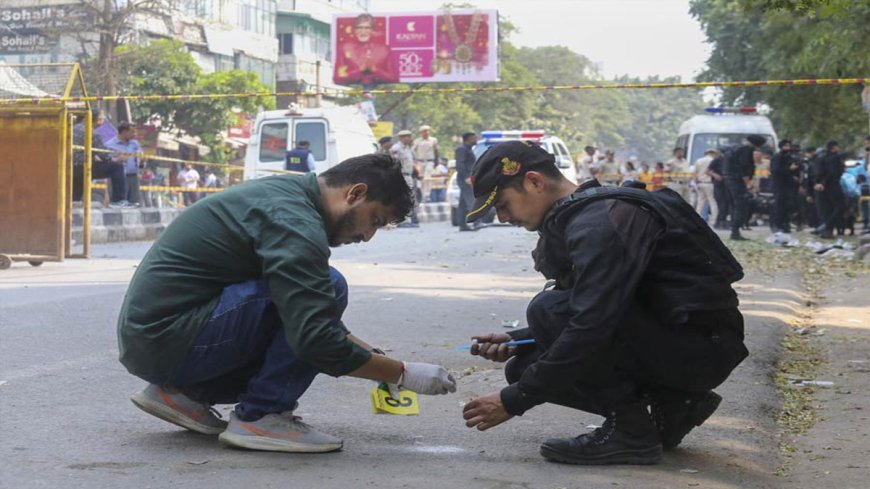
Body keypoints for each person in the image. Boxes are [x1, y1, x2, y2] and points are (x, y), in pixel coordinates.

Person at [118, 154, 456, 453]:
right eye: (376, 220)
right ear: (355, 193)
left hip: (159, 340)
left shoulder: (287, 198)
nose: (368, 236)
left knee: (313, 300)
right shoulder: (295, 221)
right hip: (169, 339)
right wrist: (402, 374)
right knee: (329, 286)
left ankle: (184, 393)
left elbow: (297, 309)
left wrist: (376, 356)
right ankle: (261, 416)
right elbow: (314, 337)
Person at [460, 141, 748, 465]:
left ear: (534, 182)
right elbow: (612, 305)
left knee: (547, 312)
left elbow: (591, 324)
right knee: (523, 366)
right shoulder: (588, 213)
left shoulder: (599, 223)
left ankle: (631, 433)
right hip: (688, 340)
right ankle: (674, 406)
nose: (501, 217)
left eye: (502, 204)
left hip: (700, 349)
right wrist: (518, 339)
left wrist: (513, 401)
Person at [72, 110, 129, 207]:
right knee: (117, 168)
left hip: (70, 166)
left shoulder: (72, 128)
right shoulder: (93, 133)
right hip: (84, 165)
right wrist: (116, 159)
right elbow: (103, 154)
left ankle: (73, 202)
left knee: (78, 185)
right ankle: (118, 200)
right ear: (98, 120)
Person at [333, 13, 398, 86]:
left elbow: (394, 78)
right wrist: (360, 70)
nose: (363, 32)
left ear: (372, 30)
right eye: (359, 28)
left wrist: (375, 70)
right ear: (354, 30)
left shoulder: (384, 49)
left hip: (379, 93)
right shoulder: (345, 48)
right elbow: (337, 78)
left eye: (367, 28)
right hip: (352, 92)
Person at [724, 135, 765, 240]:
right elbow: (743, 168)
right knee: (740, 206)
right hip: (737, 181)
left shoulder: (735, 148)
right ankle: (735, 232)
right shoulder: (746, 150)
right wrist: (748, 183)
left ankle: (734, 231)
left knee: (734, 206)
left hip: (729, 179)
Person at [812, 140, 846, 239]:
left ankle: (827, 231)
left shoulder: (820, 158)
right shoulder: (835, 158)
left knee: (826, 209)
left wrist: (818, 183)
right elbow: (833, 172)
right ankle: (826, 225)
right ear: (834, 147)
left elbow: (816, 172)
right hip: (832, 185)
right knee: (840, 207)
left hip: (821, 187)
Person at [105, 122, 143, 207]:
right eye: (132, 132)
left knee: (135, 204)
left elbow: (141, 159)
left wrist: (142, 164)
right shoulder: (109, 145)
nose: (135, 134)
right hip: (118, 179)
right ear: (124, 132)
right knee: (119, 204)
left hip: (133, 178)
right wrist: (117, 159)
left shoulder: (135, 144)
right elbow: (104, 162)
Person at [389, 130, 419, 227]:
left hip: (409, 176)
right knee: (403, 198)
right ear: (401, 138)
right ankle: (403, 221)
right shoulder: (396, 148)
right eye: (407, 137)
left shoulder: (407, 148)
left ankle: (408, 220)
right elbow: (394, 163)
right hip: (401, 176)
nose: (409, 138)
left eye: (410, 136)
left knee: (409, 198)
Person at [769, 140, 799, 233]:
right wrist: (788, 169)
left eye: (789, 146)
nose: (788, 148)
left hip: (788, 185)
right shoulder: (777, 157)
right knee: (779, 205)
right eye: (786, 146)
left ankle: (785, 224)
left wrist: (794, 175)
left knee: (788, 205)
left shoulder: (789, 157)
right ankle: (776, 224)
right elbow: (776, 170)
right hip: (779, 184)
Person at [455, 132, 479, 232]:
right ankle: (477, 221)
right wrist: (466, 177)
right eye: (474, 138)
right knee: (471, 200)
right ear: (468, 139)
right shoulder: (462, 149)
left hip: (468, 177)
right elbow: (460, 164)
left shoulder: (469, 150)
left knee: (463, 203)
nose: (476, 139)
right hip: (464, 178)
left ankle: (462, 225)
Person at [413, 125, 440, 202]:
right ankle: (421, 194)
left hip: (429, 161)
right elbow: (413, 151)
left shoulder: (433, 140)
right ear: (421, 133)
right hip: (420, 161)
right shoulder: (417, 141)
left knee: (427, 178)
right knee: (420, 178)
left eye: (427, 131)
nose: (426, 133)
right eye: (424, 131)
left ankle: (427, 195)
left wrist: (436, 162)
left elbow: (436, 151)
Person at [693, 149, 718, 225]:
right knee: (712, 201)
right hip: (709, 183)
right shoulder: (713, 160)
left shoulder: (699, 160)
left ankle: (697, 219)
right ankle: (714, 220)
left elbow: (695, 173)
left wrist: (696, 183)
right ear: (713, 153)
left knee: (700, 202)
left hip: (700, 183)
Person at [708, 149, 730, 230]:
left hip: (727, 184)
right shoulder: (717, 160)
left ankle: (721, 222)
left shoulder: (729, 160)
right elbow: (708, 171)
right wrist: (715, 175)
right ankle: (720, 222)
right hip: (718, 185)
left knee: (726, 204)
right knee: (722, 204)